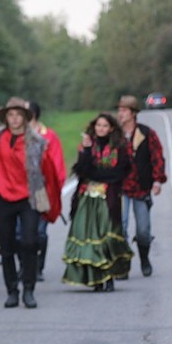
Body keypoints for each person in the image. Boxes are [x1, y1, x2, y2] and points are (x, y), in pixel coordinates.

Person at [0, 97, 62, 309]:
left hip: (28, 198)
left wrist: (49, 199)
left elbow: (48, 171)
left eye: (18, 115)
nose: (14, 119)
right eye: (11, 115)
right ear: (6, 118)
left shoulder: (37, 143)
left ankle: (28, 289)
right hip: (3, 199)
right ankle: (12, 290)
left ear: (25, 118)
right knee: (7, 246)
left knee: (30, 243)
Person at [62, 113, 133, 291]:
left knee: (106, 238)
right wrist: (86, 151)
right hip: (87, 198)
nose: (101, 129)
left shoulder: (119, 148)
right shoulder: (87, 146)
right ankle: (95, 279)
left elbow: (119, 173)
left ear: (111, 128)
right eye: (98, 125)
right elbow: (83, 170)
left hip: (108, 199)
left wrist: (97, 175)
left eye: (104, 126)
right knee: (89, 238)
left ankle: (109, 277)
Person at [116, 95, 167, 277]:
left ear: (133, 113)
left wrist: (157, 180)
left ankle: (144, 259)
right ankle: (123, 263)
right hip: (119, 188)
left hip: (141, 188)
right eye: (119, 110)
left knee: (143, 230)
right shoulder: (114, 134)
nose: (120, 114)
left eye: (124, 110)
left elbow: (157, 157)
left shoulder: (147, 133)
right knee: (119, 228)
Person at [16, 101, 66, 281]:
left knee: (40, 232)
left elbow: (57, 163)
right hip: (21, 190)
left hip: (41, 190)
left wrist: (56, 188)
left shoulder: (49, 136)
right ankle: (24, 265)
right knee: (19, 233)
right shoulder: (16, 136)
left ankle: (38, 266)